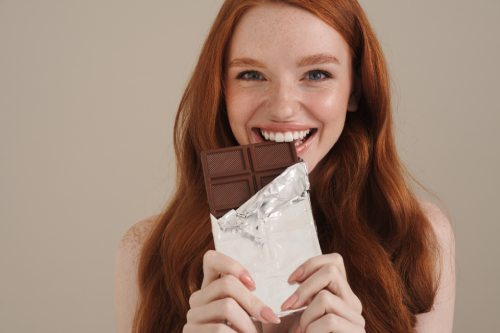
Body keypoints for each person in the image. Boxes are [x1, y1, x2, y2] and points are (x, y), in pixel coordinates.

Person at [116, 0, 455, 332]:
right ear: (221, 90)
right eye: (251, 74)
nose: (282, 108)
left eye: (317, 73)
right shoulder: (145, 250)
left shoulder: (419, 238)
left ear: (356, 90)